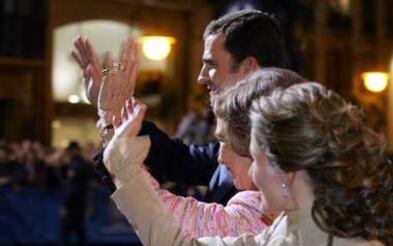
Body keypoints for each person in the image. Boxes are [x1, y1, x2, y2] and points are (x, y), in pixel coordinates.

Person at [103, 69, 393, 246]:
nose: (255, 176)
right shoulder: (282, 234)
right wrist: (126, 170)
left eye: (258, 160)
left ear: (287, 171)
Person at [72, 9, 290, 205]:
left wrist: (111, 114)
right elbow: (176, 159)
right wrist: (117, 109)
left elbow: (174, 233)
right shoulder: (242, 141)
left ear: (249, 67)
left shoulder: (286, 153)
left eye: (211, 65)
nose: (201, 77)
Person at [116, 68, 304, 238]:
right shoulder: (307, 209)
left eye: (224, 140)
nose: (201, 76)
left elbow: (175, 242)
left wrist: (122, 156)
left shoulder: (252, 212)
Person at [55, 141, 92, 246]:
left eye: (71, 150)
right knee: (79, 232)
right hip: (78, 202)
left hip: (74, 203)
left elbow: (72, 187)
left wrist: (65, 204)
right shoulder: (75, 163)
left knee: (68, 232)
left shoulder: (78, 164)